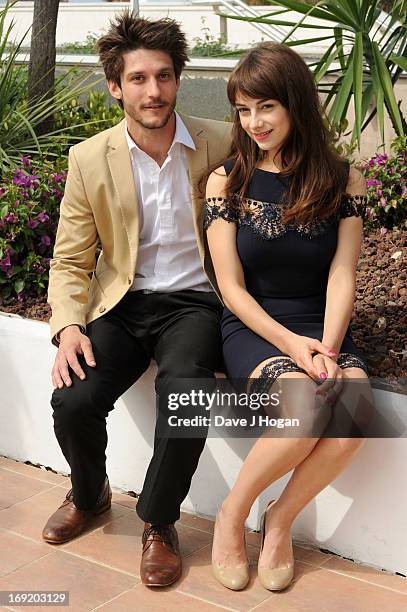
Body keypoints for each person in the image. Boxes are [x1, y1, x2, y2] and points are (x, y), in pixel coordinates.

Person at [42, 12, 231, 588]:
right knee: (73, 400)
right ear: (115, 86)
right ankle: (89, 493)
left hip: (194, 303)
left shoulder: (221, 141)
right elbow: (72, 259)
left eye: (165, 76)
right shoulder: (89, 157)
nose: (154, 91)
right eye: (140, 79)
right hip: (121, 305)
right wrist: (68, 326)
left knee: (187, 392)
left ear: (179, 79)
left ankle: (158, 521)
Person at [204, 42, 373, 592]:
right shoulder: (226, 181)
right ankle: (234, 513)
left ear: (295, 104)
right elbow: (229, 287)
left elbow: (342, 275)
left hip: (319, 324)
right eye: (243, 110)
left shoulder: (342, 179)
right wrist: (291, 345)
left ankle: (279, 521)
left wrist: (324, 346)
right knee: (304, 407)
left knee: (351, 414)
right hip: (254, 325)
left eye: (266, 107)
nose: (254, 122)